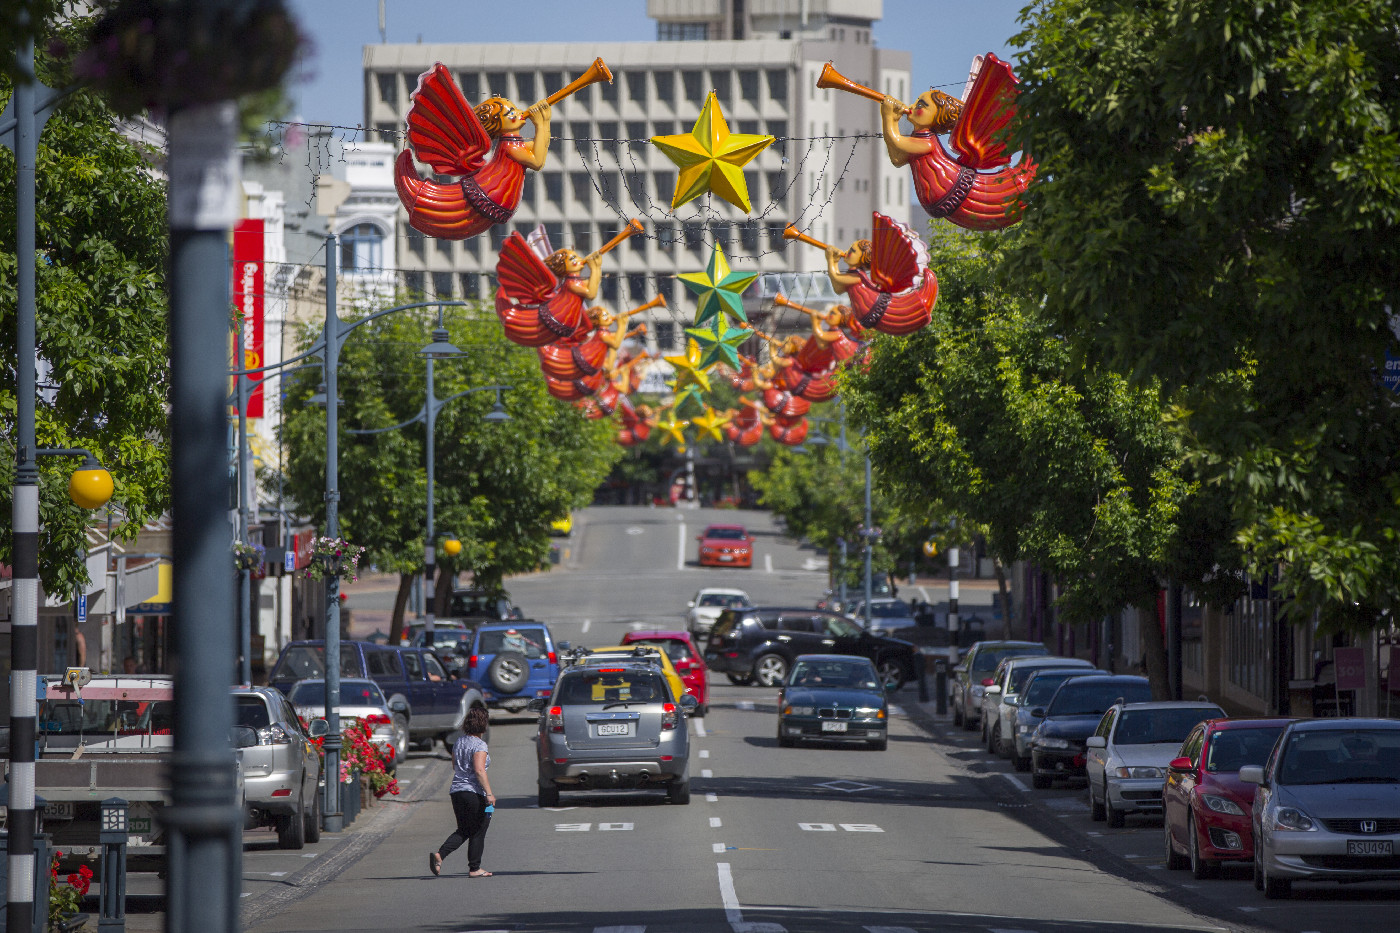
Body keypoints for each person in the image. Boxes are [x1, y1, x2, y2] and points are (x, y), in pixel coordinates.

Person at [430, 706, 495, 878]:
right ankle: (475, 868)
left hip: (456, 791)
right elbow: (479, 770)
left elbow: (454, 766)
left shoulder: (459, 742)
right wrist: (489, 793)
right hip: (473, 792)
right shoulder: (479, 744)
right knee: (479, 828)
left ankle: (440, 855)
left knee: (465, 829)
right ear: (483, 724)